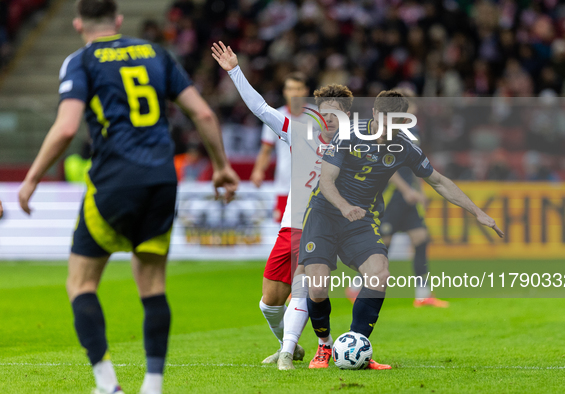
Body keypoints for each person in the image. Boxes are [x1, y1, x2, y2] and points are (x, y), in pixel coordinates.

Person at [17, 2, 239, 394]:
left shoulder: (81, 60)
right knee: (152, 284)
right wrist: (221, 166)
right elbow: (203, 114)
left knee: (81, 282)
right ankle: (152, 386)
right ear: (118, 21)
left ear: (78, 24)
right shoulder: (157, 54)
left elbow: (68, 126)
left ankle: (107, 384)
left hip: (113, 181)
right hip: (160, 180)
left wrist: (32, 177)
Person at [300, 90, 504, 369]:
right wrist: (344, 206)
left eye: (396, 125)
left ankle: (357, 347)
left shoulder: (405, 147)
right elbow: (326, 180)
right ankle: (324, 346)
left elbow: (440, 182)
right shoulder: (348, 134)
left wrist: (478, 213)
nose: (389, 132)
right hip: (325, 212)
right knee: (318, 286)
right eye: (385, 124)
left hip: (361, 219)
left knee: (380, 273)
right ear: (374, 114)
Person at [211, 41, 352, 370]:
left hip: (323, 228)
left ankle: (288, 354)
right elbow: (260, 109)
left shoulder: (356, 147)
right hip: (290, 226)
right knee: (269, 304)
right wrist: (234, 70)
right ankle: (290, 345)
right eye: (325, 110)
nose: (330, 118)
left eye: (337, 112)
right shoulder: (299, 132)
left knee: (303, 285)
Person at [346, 89, 448, 307]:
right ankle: (356, 285)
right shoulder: (388, 132)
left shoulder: (414, 130)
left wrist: (419, 192)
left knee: (420, 238)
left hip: (409, 197)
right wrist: (406, 190)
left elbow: (415, 167)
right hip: (392, 196)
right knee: (384, 243)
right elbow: (387, 167)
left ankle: (423, 294)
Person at [250, 72, 309, 223]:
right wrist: (258, 170)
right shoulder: (275, 117)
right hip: (284, 187)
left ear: (305, 91)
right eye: (290, 89)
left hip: (312, 188)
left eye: (298, 89)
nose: (294, 93)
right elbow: (266, 150)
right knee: (285, 234)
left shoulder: (319, 117)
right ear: (284, 92)